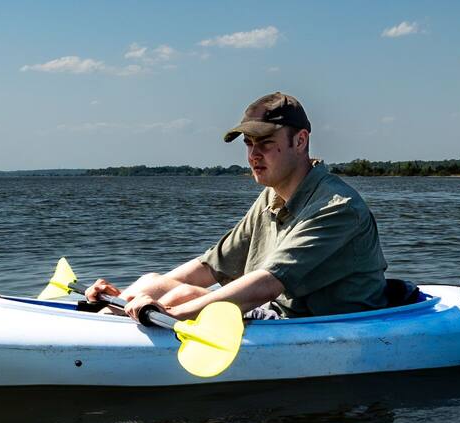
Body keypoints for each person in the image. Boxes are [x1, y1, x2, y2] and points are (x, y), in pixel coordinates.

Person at [85, 92, 388, 321]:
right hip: (278, 314)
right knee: (153, 281)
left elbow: (267, 283)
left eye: (266, 142)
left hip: (320, 324)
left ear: (300, 140)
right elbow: (210, 266)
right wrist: (123, 298)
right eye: (248, 143)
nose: (253, 154)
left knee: (183, 296)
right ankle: (93, 320)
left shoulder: (337, 207)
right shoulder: (271, 196)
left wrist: (170, 313)